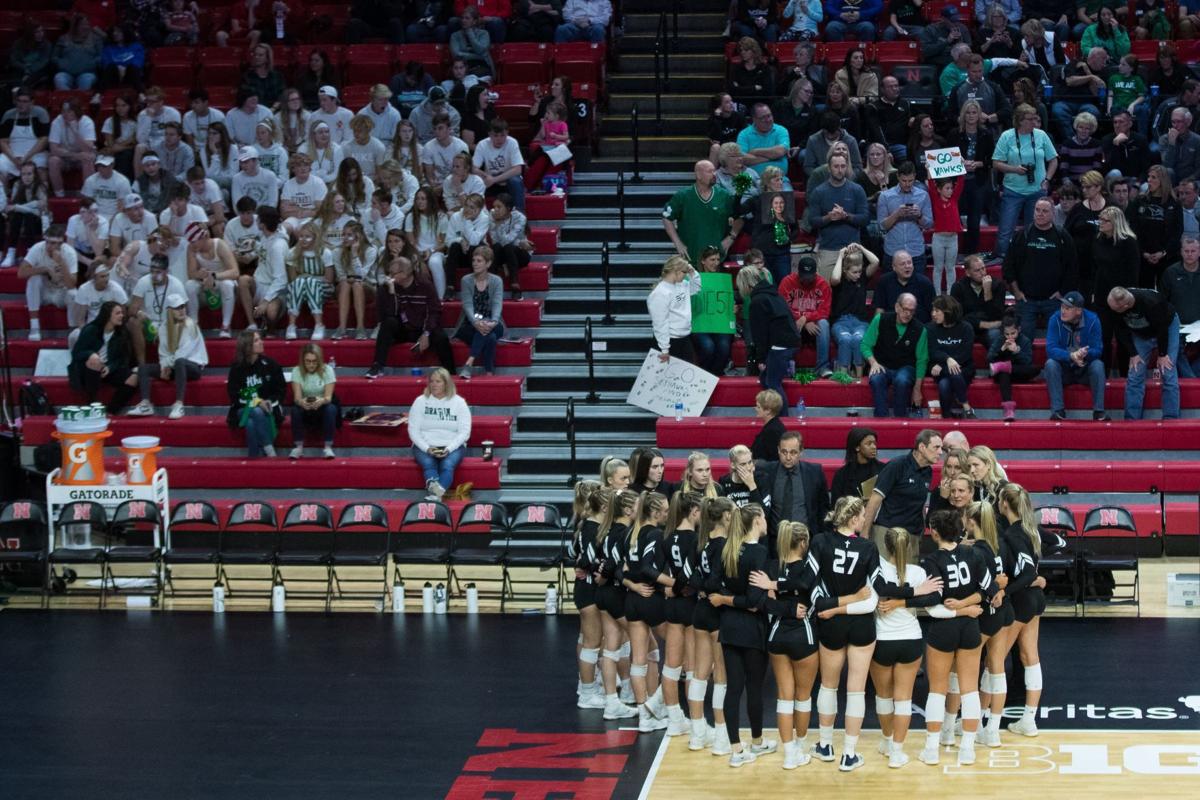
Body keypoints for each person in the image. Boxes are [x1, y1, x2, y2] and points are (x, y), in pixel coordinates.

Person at [918, 510, 994, 767]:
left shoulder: (930, 561)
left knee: (937, 691)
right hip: (970, 627)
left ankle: (931, 749)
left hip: (943, 628)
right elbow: (989, 590)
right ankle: (968, 749)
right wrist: (967, 605)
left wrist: (957, 605)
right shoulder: (974, 554)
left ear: (934, 532)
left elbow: (933, 603)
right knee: (969, 690)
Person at [704, 503, 774, 767]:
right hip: (752, 629)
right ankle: (755, 743)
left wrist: (723, 597)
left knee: (733, 688)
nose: (767, 521)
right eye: (764, 517)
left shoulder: (728, 549)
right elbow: (755, 602)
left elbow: (712, 584)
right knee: (754, 687)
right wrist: (728, 598)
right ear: (756, 520)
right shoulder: (758, 553)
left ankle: (736, 750)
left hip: (729, 628)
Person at [997, 484, 1048, 740]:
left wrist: (1005, 591)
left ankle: (985, 721)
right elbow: (1060, 541)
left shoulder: (1013, 535)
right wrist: (1036, 577)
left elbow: (1026, 573)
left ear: (1005, 504)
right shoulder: (1032, 530)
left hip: (1022, 599)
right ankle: (1029, 719)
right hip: (1037, 599)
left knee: (995, 661)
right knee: (1030, 657)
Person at [618, 491, 671, 734]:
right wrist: (673, 584)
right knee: (682, 654)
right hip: (651, 599)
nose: (668, 513)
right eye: (665, 510)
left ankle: (645, 716)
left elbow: (621, 568)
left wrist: (631, 585)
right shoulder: (655, 534)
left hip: (632, 600)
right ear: (655, 511)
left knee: (638, 660)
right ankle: (658, 703)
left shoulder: (630, 532)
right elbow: (649, 569)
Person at [687, 496, 733, 752]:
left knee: (700, 674)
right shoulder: (723, 545)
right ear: (725, 516)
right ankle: (721, 737)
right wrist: (714, 590)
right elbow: (714, 581)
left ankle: (697, 734)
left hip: (700, 611)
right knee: (721, 677)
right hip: (716, 612)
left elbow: (693, 576)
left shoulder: (703, 543)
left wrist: (702, 590)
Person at [367, 255, 455, 379]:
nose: (389, 276)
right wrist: (392, 293)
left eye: (393, 273)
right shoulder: (387, 287)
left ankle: (451, 372)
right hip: (403, 328)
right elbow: (390, 314)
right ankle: (377, 365)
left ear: (404, 273)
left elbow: (434, 311)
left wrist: (426, 333)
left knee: (440, 336)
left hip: (422, 327)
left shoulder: (425, 285)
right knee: (389, 323)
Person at [1002, 197, 1079, 334]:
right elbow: (1008, 266)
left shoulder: (1063, 236)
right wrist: (1016, 292)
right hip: (1026, 300)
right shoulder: (1022, 235)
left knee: (1057, 342)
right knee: (1023, 343)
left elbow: (1072, 267)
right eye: (1037, 210)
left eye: (1044, 211)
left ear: (1053, 214)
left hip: (1054, 300)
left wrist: (1061, 293)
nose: (1040, 214)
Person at [994, 105, 1060, 258]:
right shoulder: (1007, 136)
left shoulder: (1041, 135)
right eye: (1030, 119)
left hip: (1037, 190)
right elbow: (996, 163)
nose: (1035, 122)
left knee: (1036, 228)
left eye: (1036, 119)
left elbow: (1053, 160)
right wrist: (1014, 169)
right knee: (1005, 229)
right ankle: (1002, 258)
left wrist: (1047, 180)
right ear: (1020, 121)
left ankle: (1032, 257)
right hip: (1013, 190)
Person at [129, 293, 206, 420]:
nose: (182, 310)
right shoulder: (164, 327)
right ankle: (146, 403)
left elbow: (184, 352)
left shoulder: (190, 324)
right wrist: (165, 366)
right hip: (173, 365)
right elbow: (163, 352)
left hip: (192, 365)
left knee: (180, 361)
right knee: (143, 368)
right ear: (170, 311)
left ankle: (179, 404)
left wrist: (167, 366)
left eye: (183, 307)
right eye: (177, 308)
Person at [1108, 286, 1181, 420]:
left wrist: (1163, 354)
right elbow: (1120, 331)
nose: (1113, 312)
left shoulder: (1151, 302)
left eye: (1116, 310)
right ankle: (1131, 419)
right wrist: (1133, 354)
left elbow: (1162, 329)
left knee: (1168, 370)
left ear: (1126, 306)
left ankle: (1171, 418)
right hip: (1140, 333)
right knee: (1135, 372)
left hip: (1166, 327)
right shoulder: (1115, 305)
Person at [862, 429, 942, 540]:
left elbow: (920, 503)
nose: (941, 452)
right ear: (922, 447)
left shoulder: (928, 471)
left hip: (913, 535)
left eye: (941, 448)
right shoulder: (897, 465)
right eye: (936, 447)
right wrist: (864, 533)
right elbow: (875, 500)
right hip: (887, 532)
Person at [751, 431, 829, 543]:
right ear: (778, 450)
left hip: (804, 541)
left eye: (793, 452)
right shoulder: (766, 471)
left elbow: (823, 507)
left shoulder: (814, 472)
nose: (788, 457)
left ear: (801, 452)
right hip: (774, 541)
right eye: (784, 452)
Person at [1043, 290, 1108, 421]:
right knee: (1050, 364)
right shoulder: (1055, 319)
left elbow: (1098, 350)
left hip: (1084, 367)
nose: (1063, 311)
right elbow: (1050, 349)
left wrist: (1084, 354)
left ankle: (1099, 411)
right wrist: (1071, 356)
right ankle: (1058, 411)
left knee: (1098, 365)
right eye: (1062, 307)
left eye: (1067, 308)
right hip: (1065, 369)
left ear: (1078, 311)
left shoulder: (1093, 320)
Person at [409, 367, 472, 500]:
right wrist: (427, 448)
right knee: (428, 463)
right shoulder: (420, 401)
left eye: (438, 381)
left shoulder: (459, 403)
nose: (434, 384)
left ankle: (436, 495)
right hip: (425, 445)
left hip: (452, 445)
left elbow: (464, 432)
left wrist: (449, 448)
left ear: (446, 383)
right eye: (431, 381)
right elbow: (413, 431)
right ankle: (437, 493)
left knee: (447, 465)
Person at [743, 264, 802, 405]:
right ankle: (774, 415)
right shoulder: (773, 294)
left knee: (773, 383)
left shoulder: (757, 301)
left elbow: (760, 334)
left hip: (780, 345)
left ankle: (782, 419)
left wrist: (761, 359)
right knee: (766, 380)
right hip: (789, 341)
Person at [863, 293, 927, 419]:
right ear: (897, 307)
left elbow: (922, 360)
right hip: (882, 364)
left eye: (911, 311)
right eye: (905, 309)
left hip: (906, 367)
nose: (908, 314)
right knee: (876, 378)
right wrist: (873, 362)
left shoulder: (920, 329)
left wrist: (917, 388)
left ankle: (900, 419)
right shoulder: (880, 319)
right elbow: (865, 345)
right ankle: (881, 420)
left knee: (902, 380)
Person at [1091, 206, 1140, 368]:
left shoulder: (1129, 242)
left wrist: (1126, 298)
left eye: (1105, 220)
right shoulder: (1098, 239)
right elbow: (1096, 267)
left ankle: (1126, 377)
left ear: (1115, 223)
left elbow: (1133, 273)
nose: (1101, 223)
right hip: (1101, 295)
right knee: (1103, 337)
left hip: (1122, 298)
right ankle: (1103, 376)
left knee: (1123, 338)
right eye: (1101, 219)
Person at [807, 153, 868, 278]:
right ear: (829, 168)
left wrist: (846, 216)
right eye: (836, 166)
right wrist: (829, 217)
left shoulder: (857, 190)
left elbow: (865, 219)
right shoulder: (819, 192)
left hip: (853, 250)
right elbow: (812, 221)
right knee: (827, 291)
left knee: (853, 292)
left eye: (843, 166)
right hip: (828, 249)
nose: (840, 170)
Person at [69, 300, 137, 413]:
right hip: (87, 370)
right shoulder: (91, 329)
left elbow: (122, 359)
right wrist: (90, 354)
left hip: (109, 369)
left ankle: (112, 411)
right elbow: (77, 353)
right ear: (107, 315)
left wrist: (110, 367)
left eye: (122, 313)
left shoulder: (123, 333)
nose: (122, 316)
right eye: (118, 313)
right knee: (95, 360)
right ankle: (93, 405)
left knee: (134, 378)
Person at [662, 160, 736, 264]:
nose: (714, 174)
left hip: (717, 258)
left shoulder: (724, 196)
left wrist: (731, 237)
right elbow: (666, 217)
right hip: (690, 256)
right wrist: (678, 243)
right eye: (710, 171)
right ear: (698, 175)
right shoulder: (683, 196)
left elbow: (739, 217)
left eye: (714, 171)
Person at [226, 329, 285, 458]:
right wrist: (257, 402)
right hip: (243, 409)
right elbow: (235, 396)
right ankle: (269, 450)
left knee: (251, 424)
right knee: (257, 411)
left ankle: (253, 459)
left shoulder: (270, 364)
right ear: (247, 346)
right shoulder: (237, 368)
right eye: (256, 340)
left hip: (270, 408)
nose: (261, 342)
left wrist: (270, 401)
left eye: (260, 339)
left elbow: (280, 391)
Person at [18, 225, 78, 343]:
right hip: (44, 292)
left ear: (62, 243)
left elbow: (72, 284)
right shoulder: (37, 248)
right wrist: (45, 269)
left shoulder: (69, 252)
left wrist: (61, 262)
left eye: (56, 243)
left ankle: (73, 330)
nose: (52, 246)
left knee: (74, 294)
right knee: (34, 279)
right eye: (50, 242)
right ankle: (34, 327)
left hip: (61, 291)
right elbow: (21, 273)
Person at [1129, 164, 1183, 289]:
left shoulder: (1174, 203)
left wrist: (1163, 252)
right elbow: (1132, 228)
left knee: (1165, 294)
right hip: (1143, 256)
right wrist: (1143, 252)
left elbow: (1177, 232)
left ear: (1162, 180)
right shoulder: (1139, 201)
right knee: (1143, 293)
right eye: (1148, 176)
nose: (1149, 180)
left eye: (1153, 177)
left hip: (1166, 257)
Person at [456, 245, 506, 379]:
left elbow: (497, 303)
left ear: (488, 263)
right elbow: (467, 305)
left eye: (479, 261)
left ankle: (469, 363)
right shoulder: (466, 280)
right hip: (469, 324)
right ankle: (489, 372)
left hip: (493, 323)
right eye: (474, 260)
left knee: (488, 331)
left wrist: (494, 321)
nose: (475, 264)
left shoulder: (496, 281)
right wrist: (475, 322)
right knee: (490, 337)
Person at [778, 255, 832, 378]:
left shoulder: (823, 284)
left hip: (814, 327)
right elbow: (782, 307)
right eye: (804, 277)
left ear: (815, 273)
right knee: (785, 321)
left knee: (824, 323)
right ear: (798, 273)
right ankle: (787, 365)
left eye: (810, 277)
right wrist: (800, 318)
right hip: (795, 325)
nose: (807, 281)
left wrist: (806, 318)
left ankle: (822, 367)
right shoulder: (787, 282)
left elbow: (825, 310)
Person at [829, 243, 878, 378]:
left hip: (860, 322)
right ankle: (843, 376)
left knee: (858, 339)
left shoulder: (862, 278)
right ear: (845, 270)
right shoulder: (839, 280)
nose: (858, 275)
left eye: (859, 271)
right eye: (854, 272)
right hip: (841, 321)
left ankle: (859, 377)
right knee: (845, 339)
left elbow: (875, 262)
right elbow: (834, 279)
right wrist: (840, 256)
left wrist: (861, 248)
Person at [186, 221, 239, 338]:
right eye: (190, 242)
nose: (192, 245)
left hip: (223, 279)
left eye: (195, 241)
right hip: (206, 283)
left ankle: (226, 325)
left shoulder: (219, 245)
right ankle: (194, 324)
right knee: (189, 285)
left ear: (204, 237)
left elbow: (235, 272)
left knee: (227, 285)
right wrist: (200, 275)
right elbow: (191, 274)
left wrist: (214, 276)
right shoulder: (192, 249)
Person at [877, 162, 932, 273]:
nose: (907, 184)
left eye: (910, 181)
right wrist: (896, 214)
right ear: (898, 177)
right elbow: (882, 226)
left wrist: (919, 215)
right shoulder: (885, 196)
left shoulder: (923, 195)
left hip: (916, 252)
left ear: (915, 177)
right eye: (904, 181)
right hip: (892, 252)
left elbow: (929, 224)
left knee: (916, 289)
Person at [929, 295, 977, 419]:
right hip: (942, 369)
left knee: (950, 378)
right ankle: (965, 408)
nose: (933, 314)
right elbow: (933, 351)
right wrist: (947, 359)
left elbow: (965, 354)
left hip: (964, 368)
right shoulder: (931, 328)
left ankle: (955, 411)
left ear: (948, 312)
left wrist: (944, 362)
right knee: (945, 383)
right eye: (933, 310)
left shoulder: (966, 328)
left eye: (937, 311)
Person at [287, 343, 339, 460]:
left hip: (323, 405)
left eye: (314, 361)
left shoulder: (328, 370)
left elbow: (328, 397)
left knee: (330, 409)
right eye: (308, 361)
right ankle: (298, 447)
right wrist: (302, 402)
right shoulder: (296, 371)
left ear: (319, 360)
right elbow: (297, 398)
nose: (311, 365)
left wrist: (321, 401)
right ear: (303, 360)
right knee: (295, 409)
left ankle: (327, 447)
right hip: (305, 407)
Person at [647, 254, 702, 365]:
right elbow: (660, 323)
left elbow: (696, 288)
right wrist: (664, 349)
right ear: (675, 271)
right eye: (684, 272)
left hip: (684, 338)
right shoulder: (660, 293)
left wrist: (693, 272)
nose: (685, 275)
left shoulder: (683, 285)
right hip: (669, 341)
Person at [1160, 236, 1200, 377]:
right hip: (1177, 326)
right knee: (1174, 350)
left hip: (1199, 325)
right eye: (1186, 251)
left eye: (1193, 251)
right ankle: (1192, 380)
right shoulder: (1170, 273)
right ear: (1181, 252)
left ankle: (1193, 377)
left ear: (1199, 252)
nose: (1189, 254)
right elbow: (1162, 302)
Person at [988, 312, 1038, 421]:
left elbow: (1027, 362)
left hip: (1018, 372)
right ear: (1003, 333)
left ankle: (1004, 366)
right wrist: (1002, 349)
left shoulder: (1025, 340)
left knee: (1035, 369)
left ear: (1019, 330)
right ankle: (1008, 409)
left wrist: (1017, 351)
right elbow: (990, 358)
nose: (1010, 337)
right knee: (1003, 373)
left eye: (1013, 333)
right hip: (1002, 376)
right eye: (1007, 334)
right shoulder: (1000, 340)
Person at [952, 255, 1006, 349]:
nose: (982, 273)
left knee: (995, 334)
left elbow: (997, 315)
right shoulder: (958, 287)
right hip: (968, 328)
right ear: (968, 273)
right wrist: (984, 324)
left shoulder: (998, 285)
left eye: (983, 268)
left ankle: (996, 363)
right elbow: (958, 317)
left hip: (990, 330)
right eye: (977, 270)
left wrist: (987, 292)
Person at [0, 90, 50, 192]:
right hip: (12, 155)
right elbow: (3, 141)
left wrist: (26, 157)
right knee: (1, 166)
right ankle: (4, 199)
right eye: (19, 101)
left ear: (32, 102)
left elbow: (44, 139)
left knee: (40, 168)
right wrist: (14, 159)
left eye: (25, 101)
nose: (21, 104)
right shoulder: (8, 115)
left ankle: (43, 197)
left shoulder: (41, 113)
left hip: (35, 153)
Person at [472, 119, 526, 211]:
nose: (499, 139)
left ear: (507, 133)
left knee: (515, 181)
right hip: (490, 182)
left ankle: (520, 216)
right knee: (475, 180)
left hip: (507, 181)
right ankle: (477, 216)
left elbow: (518, 169)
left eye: (502, 135)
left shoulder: (512, 142)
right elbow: (473, 168)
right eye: (495, 135)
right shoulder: (482, 144)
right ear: (489, 134)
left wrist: (494, 179)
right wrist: (485, 176)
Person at [873, 251, 934, 323]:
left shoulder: (924, 283)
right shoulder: (884, 281)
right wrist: (877, 327)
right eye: (903, 264)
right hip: (892, 327)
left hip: (919, 327)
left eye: (909, 263)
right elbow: (880, 308)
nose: (907, 266)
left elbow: (933, 311)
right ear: (894, 267)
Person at [928, 174, 965, 295]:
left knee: (950, 267)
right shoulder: (935, 199)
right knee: (938, 267)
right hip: (939, 238)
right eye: (947, 188)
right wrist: (929, 170)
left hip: (952, 239)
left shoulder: (954, 199)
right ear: (939, 189)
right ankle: (937, 294)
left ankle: (950, 293)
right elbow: (931, 185)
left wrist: (961, 168)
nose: (950, 191)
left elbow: (960, 183)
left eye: (951, 188)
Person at [738, 104, 792, 181]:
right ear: (754, 119)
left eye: (769, 116)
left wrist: (755, 151)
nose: (768, 120)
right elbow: (742, 159)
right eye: (763, 117)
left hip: (779, 180)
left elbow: (780, 151)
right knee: (739, 190)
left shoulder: (781, 130)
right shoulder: (744, 134)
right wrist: (772, 157)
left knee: (787, 192)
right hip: (750, 180)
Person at [829, 428, 883, 502]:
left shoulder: (884, 470)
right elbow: (836, 506)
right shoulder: (841, 475)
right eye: (869, 444)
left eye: (874, 443)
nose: (874, 447)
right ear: (857, 447)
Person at [72, 264, 128, 332]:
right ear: (94, 278)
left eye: (107, 275)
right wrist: (85, 333)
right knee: (74, 335)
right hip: (92, 326)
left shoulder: (116, 289)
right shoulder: (84, 289)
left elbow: (123, 314)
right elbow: (80, 320)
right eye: (102, 276)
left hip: (112, 326)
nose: (106, 279)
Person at [1160, 108, 1200, 184]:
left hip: (1192, 179)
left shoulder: (1197, 140)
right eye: (1173, 122)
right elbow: (1167, 165)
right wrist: (1172, 143)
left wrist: (1188, 180)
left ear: (1188, 122)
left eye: (1179, 121)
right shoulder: (1164, 139)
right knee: (1168, 171)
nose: (1175, 125)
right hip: (1172, 178)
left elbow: (1199, 168)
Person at [749, 389, 786, 462]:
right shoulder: (772, 426)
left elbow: (775, 460)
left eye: (758, 407)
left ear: (768, 410)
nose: (755, 409)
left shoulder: (772, 431)